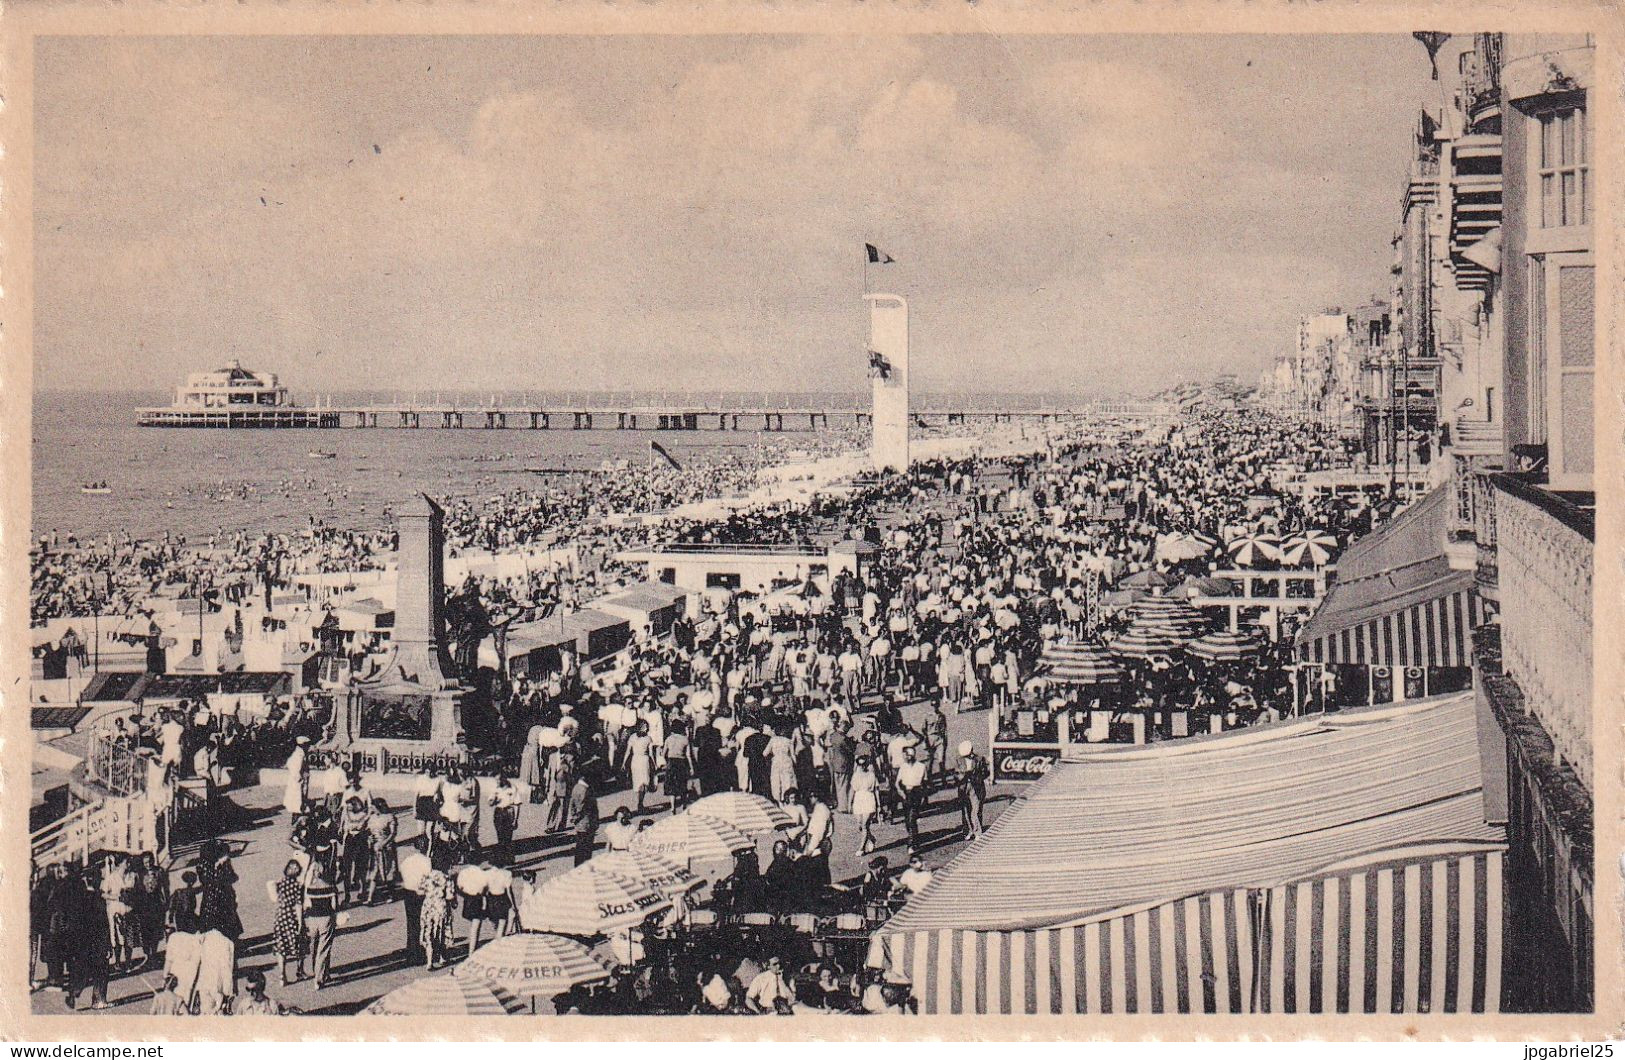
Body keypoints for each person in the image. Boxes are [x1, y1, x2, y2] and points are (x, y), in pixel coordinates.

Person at [301, 852, 339, 990]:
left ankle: (318, 971)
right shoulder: (330, 884)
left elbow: (306, 905)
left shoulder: (309, 887)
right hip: (326, 918)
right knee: (324, 949)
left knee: (314, 946)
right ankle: (320, 977)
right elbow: (334, 905)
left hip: (312, 919)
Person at [268, 859, 306, 986]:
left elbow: (272, 893)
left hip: (280, 916)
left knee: (281, 945)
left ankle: (282, 975)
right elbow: (299, 905)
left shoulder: (280, 882)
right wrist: (301, 923)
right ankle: (300, 971)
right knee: (299, 943)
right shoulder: (298, 885)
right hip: (292, 916)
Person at [419, 864, 458, 971]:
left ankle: (430, 962)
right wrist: (454, 902)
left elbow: (420, 891)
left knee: (429, 932)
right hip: (441, 906)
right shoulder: (447, 877)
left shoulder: (426, 876)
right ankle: (442, 957)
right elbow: (450, 896)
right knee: (441, 932)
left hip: (428, 907)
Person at [895, 744, 929, 849]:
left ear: (910, 756)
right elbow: (897, 783)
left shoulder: (921, 766)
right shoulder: (903, 766)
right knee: (907, 819)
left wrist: (924, 797)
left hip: (916, 793)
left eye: (905, 755)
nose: (904, 758)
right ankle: (914, 838)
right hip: (905, 793)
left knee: (912, 818)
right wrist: (901, 792)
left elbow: (925, 783)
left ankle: (912, 844)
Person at [954, 740, 989, 839]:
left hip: (976, 786)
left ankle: (978, 831)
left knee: (976, 809)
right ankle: (969, 830)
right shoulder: (958, 760)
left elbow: (985, 773)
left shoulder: (979, 759)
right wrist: (962, 774)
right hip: (964, 787)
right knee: (966, 810)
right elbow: (955, 774)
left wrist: (977, 776)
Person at [568, 773, 599, 866]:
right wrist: (576, 817)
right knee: (586, 848)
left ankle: (578, 866)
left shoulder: (576, 787)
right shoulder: (585, 790)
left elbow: (572, 804)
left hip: (580, 824)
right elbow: (582, 807)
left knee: (580, 847)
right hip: (587, 823)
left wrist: (573, 817)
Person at [627, 720, 655, 812]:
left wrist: (624, 762)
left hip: (636, 761)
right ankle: (640, 802)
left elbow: (628, 751)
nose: (646, 728)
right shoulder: (648, 738)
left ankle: (639, 802)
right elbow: (651, 754)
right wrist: (654, 764)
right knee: (643, 782)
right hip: (642, 761)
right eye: (644, 726)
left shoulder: (633, 737)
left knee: (639, 782)